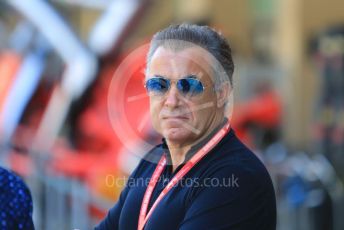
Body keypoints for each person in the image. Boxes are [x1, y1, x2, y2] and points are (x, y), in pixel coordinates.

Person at [96, 23, 276, 230]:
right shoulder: (151, 162)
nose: (171, 101)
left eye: (188, 85)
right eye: (158, 85)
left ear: (222, 93)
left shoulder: (236, 178)